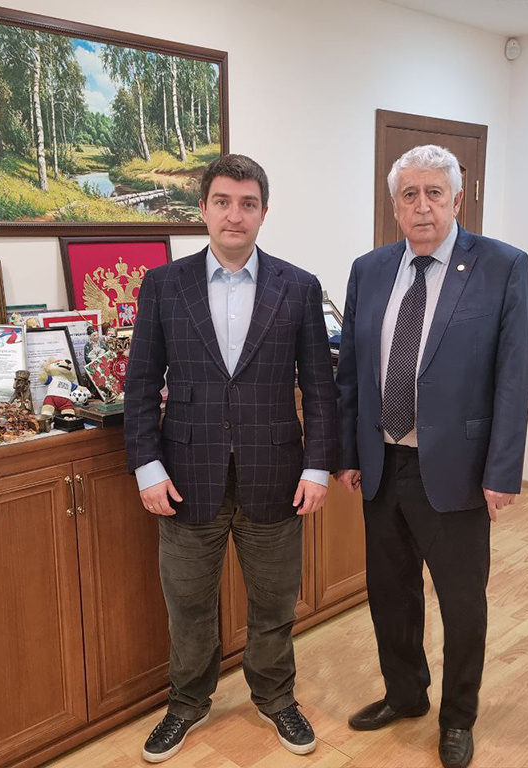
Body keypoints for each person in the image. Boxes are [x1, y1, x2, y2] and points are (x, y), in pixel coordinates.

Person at [124, 154, 337, 763]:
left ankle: (275, 696)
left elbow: (319, 386)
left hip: (277, 475)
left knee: (274, 603)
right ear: (203, 209)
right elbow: (142, 384)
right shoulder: (164, 285)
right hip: (185, 478)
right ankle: (187, 703)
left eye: (247, 204)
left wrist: (317, 466)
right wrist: (147, 467)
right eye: (222, 202)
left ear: (264, 212)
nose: (234, 215)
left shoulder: (298, 287)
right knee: (189, 604)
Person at [334, 145, 528, 768]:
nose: (422, 206)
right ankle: (405, 694)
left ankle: (458, 717)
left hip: (456, 470)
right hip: (382, 464)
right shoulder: (370, 270)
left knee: (461, 602)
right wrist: (347, 451)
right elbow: (352, 373)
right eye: (409, 195)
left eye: (434, 193)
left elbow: (514, 376)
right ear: (394, 205)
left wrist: (502, 470)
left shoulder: (502, 266)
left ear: (456, 199)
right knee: (390, 593)